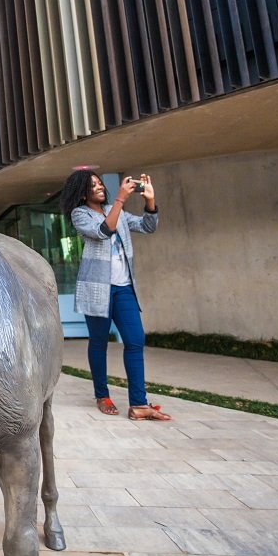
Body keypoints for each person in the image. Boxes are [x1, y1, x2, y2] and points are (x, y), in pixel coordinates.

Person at [60, 169, 171, 422]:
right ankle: (102, 395)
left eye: (100, 183)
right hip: (97, 289)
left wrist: (149, 201)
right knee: (99, 342)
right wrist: (120, 200)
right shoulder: (81, 214)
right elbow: (102, 231)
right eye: (93, 185)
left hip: (124, 288)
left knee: (135, 340)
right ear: (82, 192)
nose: (99, 187)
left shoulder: (115, 209)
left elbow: (147, 226)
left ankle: (139, 404)